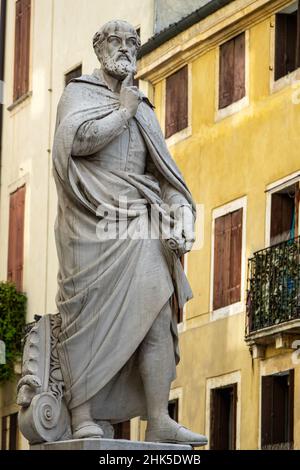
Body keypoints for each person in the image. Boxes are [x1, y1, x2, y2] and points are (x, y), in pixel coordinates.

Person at [52, 19, 207, 445]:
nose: (125, 49)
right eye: (116, 42)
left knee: (158, 315)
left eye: (131, 42)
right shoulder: (79, 94)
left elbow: (168, 181)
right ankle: (81, 410)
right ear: (99, 48)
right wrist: (122, 110)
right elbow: (76, 142)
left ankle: (158, 417)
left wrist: (183, 219)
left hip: (138, 222)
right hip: (90, 224)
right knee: (84, 317)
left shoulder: (145, 108)